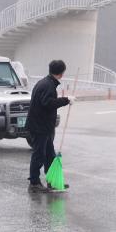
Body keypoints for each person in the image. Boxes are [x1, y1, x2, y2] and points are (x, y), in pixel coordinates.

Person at [27, 59, 74, 193]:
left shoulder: (45, 82)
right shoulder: (48, 85)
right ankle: (34, 182)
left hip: (43, 126)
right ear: (62, 73)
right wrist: (66, 100)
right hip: (39, 126)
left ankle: (52, 181)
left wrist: (65, 100)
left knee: (49, 155)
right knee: (39, 154)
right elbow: (48, 103)